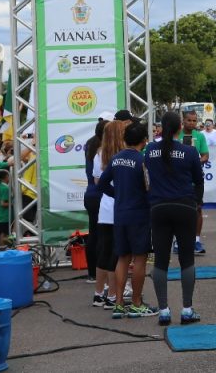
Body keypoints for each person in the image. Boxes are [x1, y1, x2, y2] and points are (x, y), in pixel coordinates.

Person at [144, 112, 204, 326]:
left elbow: (147, 177)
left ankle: (163, 311)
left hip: (158, 207)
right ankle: (187, 310)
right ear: (180, 127)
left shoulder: (150, 150)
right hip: (185, 207)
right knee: (187, 259)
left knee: (161, 260)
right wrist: (197, 203)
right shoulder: (189, 151)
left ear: (161, 128)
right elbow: (199, 180)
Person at [97, 120, 156, 318]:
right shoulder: (142, 161)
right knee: (139, 258)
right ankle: (137, 303)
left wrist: (118, 195)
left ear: (125, 139)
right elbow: (149, 189)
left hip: (120, 214)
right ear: (144, 140)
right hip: (138, 215)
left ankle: (119, 304)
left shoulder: (115, 159)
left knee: (122, 258)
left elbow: (101, 184)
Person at [92, 119, 122, 310]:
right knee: (116, 253)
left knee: (104, 251)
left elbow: (97, 182)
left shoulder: (99, 154)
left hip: (105, 208)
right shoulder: (123, 155)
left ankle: (98, 294)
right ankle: (112, 295)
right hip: (119, 208)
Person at [84, 114, 111, 286]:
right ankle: (103, 274)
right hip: (101, 195)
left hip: (91, 195)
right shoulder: (103, 150)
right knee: (103, 236)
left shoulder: (90, 144)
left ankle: (92, 273)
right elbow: (99, 178)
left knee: (94, 234)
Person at [177, 110, 209, 254]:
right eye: (189, 120)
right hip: (178, 180)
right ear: (183, 120)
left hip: (195, 180)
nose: (192, 123)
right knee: (178, 209)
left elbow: (205, 155)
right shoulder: (176, 135)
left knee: (197, 209)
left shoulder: (200, 136)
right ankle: (177, 241)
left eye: (194, 120)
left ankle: (196, 240)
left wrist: (195, 162)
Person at [0, 170, 11, 248]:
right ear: (6, 176)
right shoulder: (5, 188)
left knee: (2, 233)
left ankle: (0, 249)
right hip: (5, 216)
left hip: (2, 215)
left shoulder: (1, 186)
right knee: (3, 234)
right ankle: (2, 249)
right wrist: (12, 204)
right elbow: (2, 203)